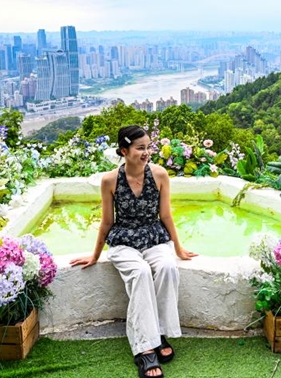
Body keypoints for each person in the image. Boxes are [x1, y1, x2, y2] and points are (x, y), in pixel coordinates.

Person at [70, 125, 197, 378]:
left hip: (154, 237)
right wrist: (95, 255)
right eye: (140, 148)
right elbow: (106, 222)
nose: (146, 152)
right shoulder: (109, 180)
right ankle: (144, 349)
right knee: (139, 272)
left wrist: (178, 248)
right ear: (124, 151)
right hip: (123, 241)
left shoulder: (160, 174)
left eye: (148, 147)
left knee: (168, 267)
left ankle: (158, 333)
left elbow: (166, 215)